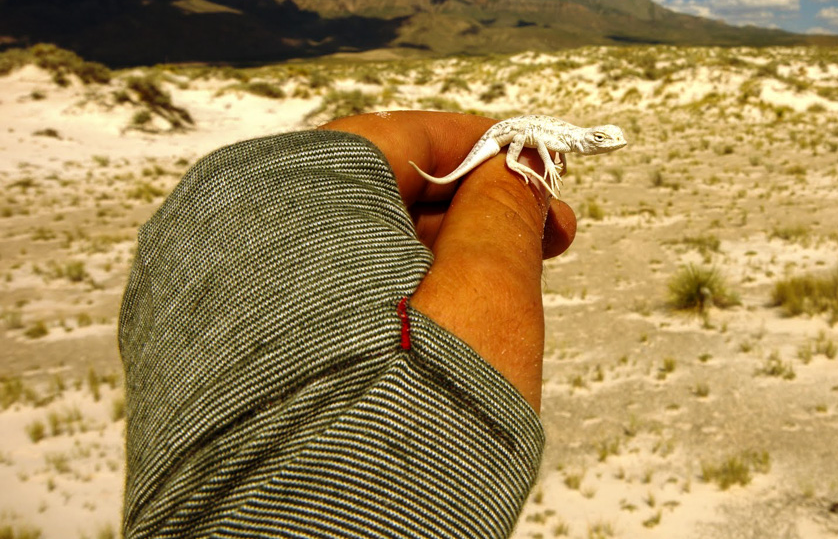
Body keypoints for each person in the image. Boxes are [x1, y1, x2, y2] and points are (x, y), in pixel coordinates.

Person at [119, 110, 575, 538]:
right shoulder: (542, 138)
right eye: (595, 139)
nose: (602, 145)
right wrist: (514, 184)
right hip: (507, 142)